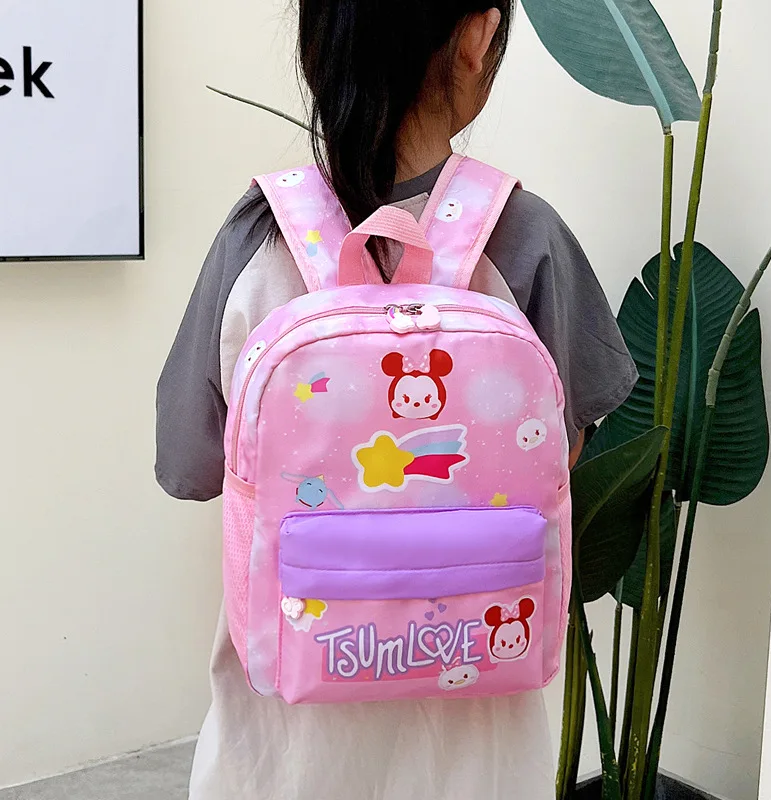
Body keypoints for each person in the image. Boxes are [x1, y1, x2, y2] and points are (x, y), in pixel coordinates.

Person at [155, 2, 638, 798]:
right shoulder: (527, 237)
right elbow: (558, 456)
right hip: (477, 754)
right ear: (478, 38)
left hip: (283, 753)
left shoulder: (253, 239)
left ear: (316, 45)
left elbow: (188, 465)